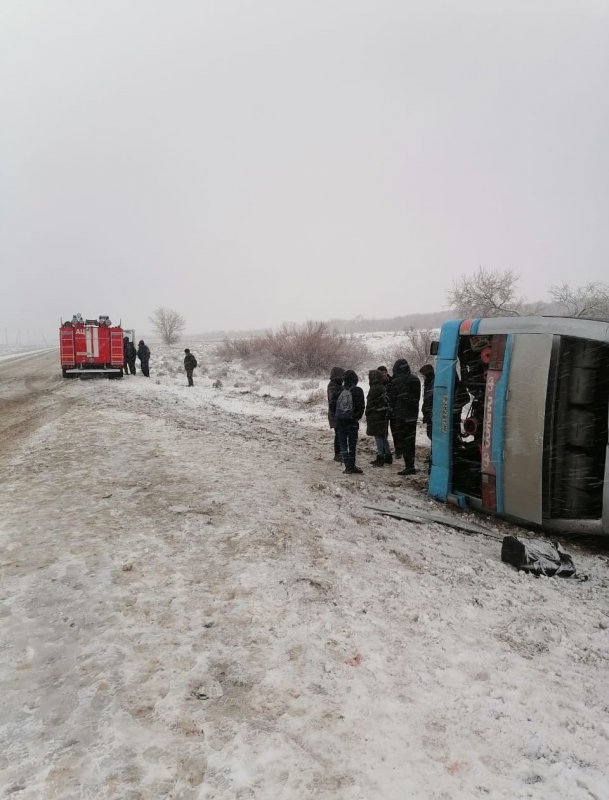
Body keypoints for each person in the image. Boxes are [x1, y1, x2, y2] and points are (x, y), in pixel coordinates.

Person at [387, 358, 421, 476]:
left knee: (404, 441)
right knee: (410, 441)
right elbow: (416, 398)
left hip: (401, 416)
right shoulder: (415, 379)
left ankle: (409, 466)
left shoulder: (396, 382)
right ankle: (410, 464)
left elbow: (390, 399)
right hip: (412, 415)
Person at [330, 369, 365, 474]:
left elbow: (332, 406)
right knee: (352, 445)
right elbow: (361, 407)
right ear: (355, 379)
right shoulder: (358, 391)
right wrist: (355, 417)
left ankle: (347, 467)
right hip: (352, 423)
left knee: (343, 445)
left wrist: (338, 416)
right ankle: (352, 466)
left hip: (340, 423)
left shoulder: (339, 391)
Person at [366, 369, 391, 466]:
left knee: (378, 437)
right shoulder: (381, 386)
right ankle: (388, 456)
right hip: (381, 414)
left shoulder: (374, 388)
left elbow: (371, 402)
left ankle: (380, 457)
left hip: (375, 415)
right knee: (382, 436)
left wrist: (368, 411)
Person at [378, 364, 400, 458]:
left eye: (383, 373)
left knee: (396, 431)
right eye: (380, 374)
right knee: (383, 432)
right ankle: (384, 450)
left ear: (386, 372)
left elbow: (396, 395)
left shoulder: (393, 382)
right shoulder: (377, 384)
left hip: (393, 410)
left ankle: (398, 451)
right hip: (383, 411)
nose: (382, 376)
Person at [327, 367, 345, 462]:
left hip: (336, 413)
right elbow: (333, 400)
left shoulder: (336, 385)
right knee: (338, 434)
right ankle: (337, 454)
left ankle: (339, 453)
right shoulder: (333, 386)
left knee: (339, 434)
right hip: (335, 414)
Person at [419, 364, 435, 441]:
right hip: (430, 413)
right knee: (431, 434)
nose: (423, 377)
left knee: (432, 434)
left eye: (423, 375)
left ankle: (435, 451)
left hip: (432, 413)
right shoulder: (428, 383)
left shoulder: (433, 383)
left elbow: (430, 399)